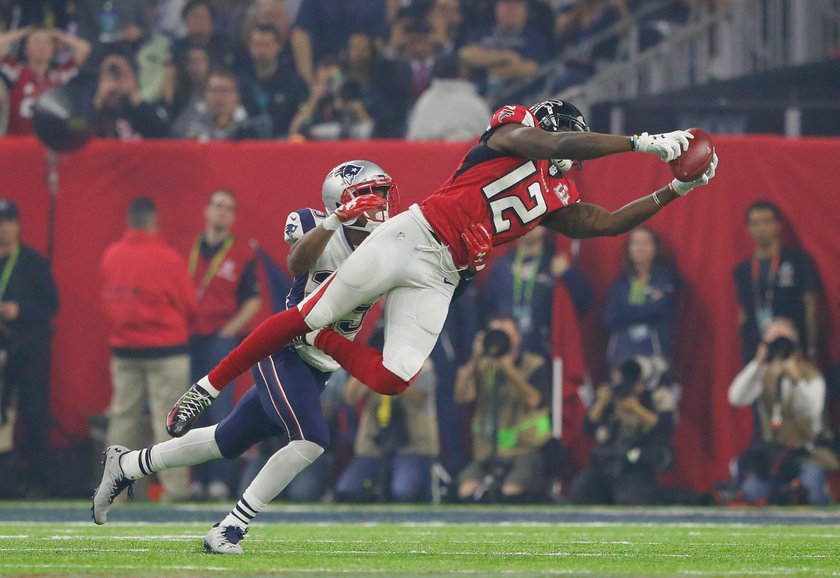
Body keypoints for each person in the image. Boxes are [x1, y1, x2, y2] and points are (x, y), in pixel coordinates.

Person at [168, 98, 719, 445]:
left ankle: (316, 336)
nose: (570, 161)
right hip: (415, 234)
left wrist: (674, 189)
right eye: (571, 144)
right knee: (310, 309)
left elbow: (605, 223)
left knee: (394, 377)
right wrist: (641, 144)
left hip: (444, 274)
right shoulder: (512, 131)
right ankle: (207, 386)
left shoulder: (556, 192)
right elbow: (552, 143)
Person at [93, 161, 399, 554]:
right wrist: (334, 221)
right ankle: (231, 528)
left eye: (384, 193)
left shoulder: (389, 241)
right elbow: (297, 264)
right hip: (287, 348)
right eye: (370, 194)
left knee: (227, 439)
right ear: (342, 200)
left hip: (322, 364)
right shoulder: (313, 222)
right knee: (310, 440)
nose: (381, 203)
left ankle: (129, 465)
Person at [99, 197, 196, 502]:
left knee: (123, 421)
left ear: (130, 220)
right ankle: (174, 490)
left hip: (126, 351)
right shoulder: (168, 258)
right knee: (167, 422)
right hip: (167, 350)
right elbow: (190, 306)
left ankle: (116, 492)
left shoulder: (111, 256)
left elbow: (106, 302)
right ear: (153, 221)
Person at [187, 189, 262, 500]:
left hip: (220, 341)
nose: (221, 213)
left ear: (233, 217)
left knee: (219, 409)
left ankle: (219, 479)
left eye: (227, 208)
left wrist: (228, 331)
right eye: (216, 205)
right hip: (188, 339)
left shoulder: (242, 255)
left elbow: (253, 301)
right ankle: (194, 478)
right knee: (190, 410)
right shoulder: (186, 249)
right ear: (206, 210)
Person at [727, 317, 837, 505]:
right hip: (771, 458)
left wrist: (795, 377)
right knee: (748, 497)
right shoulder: (762, 375)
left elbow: (811, 409)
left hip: (805, 454)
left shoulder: (810, 374)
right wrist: (758, 362)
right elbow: (736, 398)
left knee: (812, 495)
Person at [335, 327, 439, 503]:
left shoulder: (421, 362)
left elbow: (421, 399)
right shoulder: (371, 364)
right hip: (374, 446)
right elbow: (350, 398)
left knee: (403, 491)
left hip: (411, 446)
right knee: (347, 489)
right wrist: (368, 366)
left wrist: (395, 373)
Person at [454, 315, 551, 502]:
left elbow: (534, 400)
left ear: (517, 337)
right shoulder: (482, 365)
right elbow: (462, 397)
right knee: (466, 490)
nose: (500, 338)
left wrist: (508, 370)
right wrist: (474, 359)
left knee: (510, 490)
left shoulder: (534, 364)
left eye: (505, 333)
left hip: (524, 450)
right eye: (495, 333)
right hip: (487, 450)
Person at [0, 199, 59, 495]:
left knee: (34, 414)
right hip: (1, 351)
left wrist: (19, 310)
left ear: (18, 226)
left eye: (9, 221)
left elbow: (51, 306)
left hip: (29, 348)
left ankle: (39, 480)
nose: (4, 228)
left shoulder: (33, 262)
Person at [568, 356, 677, 505]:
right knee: (580, 493)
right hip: (607, 464)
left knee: (630, 499)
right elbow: (588, 429)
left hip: (637, 465)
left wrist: (636, 409)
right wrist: (600, 403)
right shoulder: (613, 394)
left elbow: (665, 428)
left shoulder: (656, 397)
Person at [485, 225, 591, 359]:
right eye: (526, 219)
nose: (530, 227)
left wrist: (567, 274)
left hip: (543, 354)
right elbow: (487, 309)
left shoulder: (555, 262)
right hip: (505, 352)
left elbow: (584, 304)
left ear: (546, 227)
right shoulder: (501, 266)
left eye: (537, 221)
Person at [733, 201, 820, 364]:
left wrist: (812, 350)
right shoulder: (743, 271)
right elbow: (743, 314)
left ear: (777, 225)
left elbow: (811, 307)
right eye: (755, 223)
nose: (761, 228)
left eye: (766, 222)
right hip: (758, 352)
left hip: (794, 350)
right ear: (748, 228)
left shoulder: (797, 261)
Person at [603, 226, 678, 371]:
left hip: (655, 353)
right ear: (628, 249)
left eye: (645, 242)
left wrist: (626, 311)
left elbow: (661, 309)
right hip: (622, 354)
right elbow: (610, 318)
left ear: (655, 247)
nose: (639, 248)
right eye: (635, 243)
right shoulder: (620, 285)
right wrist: (648, 307)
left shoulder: (665, 277)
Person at [0, 26, 91, 135]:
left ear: (53, 49)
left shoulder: (59, 75)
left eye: (47, 43)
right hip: (19, 141)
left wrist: (57, 34)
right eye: (36, 42)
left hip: (50, 141)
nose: (42, 46)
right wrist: (24, 32)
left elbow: (84, 48)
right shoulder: (17, 72)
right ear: (27, 48)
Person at [239, 23, 308, 139]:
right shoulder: (241, 81)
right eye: (257, 45)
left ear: (278, 46)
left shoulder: (293, 82)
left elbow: (304, 114)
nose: (261, 51)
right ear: (249, 47)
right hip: (247, 145)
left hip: (285, 146)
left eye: (267, 45)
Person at [407, 52, 492, 142]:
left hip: (428, 154)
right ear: (463, 72)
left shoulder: (424, 101)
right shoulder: (474, 104)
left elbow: (412, 138)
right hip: (461, 155)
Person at [93, 54, 171, 140]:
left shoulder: (146, 110)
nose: (117, 82)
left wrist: (133, 94)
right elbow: (84, 139)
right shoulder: (101, 112)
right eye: (110, 77)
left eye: (123, 75)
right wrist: (99, 101)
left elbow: (163, 135)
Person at [171, 68, 257, 141]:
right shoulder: (188, 121)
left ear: (237, 97)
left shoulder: (249, 127)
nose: (219, 97)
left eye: (225, 91)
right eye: (214, 91)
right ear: (204, 95)